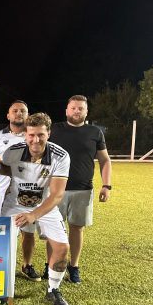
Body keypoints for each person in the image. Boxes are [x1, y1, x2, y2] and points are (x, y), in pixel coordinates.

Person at [0, 113, 71, 305]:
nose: (36, 140)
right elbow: (2, 167)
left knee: (62, 247)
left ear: (49, 133)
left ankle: (53, 289)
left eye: (41, 135)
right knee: (2, 244)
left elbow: (57, 195)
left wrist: (33, 215)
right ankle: (2, 286)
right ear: (25, 134)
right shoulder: (12, 152)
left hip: (45, 205)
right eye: (31, 135)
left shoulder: (60, 156)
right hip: (14, 205)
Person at [47, 95, 112, 284]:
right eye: (73, 108)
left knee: (77, 228)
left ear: (86, 111)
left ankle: (73, 267)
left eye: (80, 108)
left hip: (83, 190)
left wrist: (106, 185)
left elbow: (105, 160)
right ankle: (50, 265)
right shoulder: (54, 130)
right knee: (53, 230)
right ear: (66, 110)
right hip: (54, 189)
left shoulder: (94, 132)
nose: (77, 111)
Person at [0, 100, 40, 281]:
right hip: (3, 192)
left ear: (28, 115)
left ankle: (27, 265)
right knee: (0, 231)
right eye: (15, 111)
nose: (18, 113)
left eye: (22, 111)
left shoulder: (33, 135)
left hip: (28, 192)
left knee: (28, 231)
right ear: (8, 115)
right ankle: (0, 266)